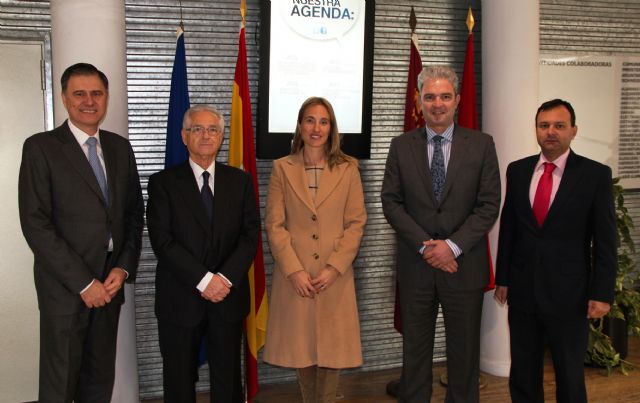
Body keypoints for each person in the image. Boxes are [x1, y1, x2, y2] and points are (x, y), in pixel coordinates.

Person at [18, 62, 144, 402]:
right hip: (65, 288)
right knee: (60, 384)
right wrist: (85, 284)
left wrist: (122, 267)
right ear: (63, 98)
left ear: (106, 98)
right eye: (79, 93)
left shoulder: (120, 147)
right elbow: (35, 222)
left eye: (97, 93)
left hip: (111, 283)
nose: (89, 101)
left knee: (98, 381)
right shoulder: (41, 147)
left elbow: (134, 215)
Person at [380, 65, 501, 402]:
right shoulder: (401, 145)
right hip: (417, 268)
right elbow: (391, 202)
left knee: (464, 358)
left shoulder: (481, 145)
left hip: (463, 267)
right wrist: (427, 248)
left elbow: (489, 205)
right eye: (430, 96)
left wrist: (452, 246)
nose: (437, 103)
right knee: (414, 355)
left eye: (445, 96)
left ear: (457, 100)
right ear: (419, 100)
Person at [495, 99, 617, 403]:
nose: (551, 132)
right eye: (544, 125)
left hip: (569, 295)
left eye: (559, 126)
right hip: (523, 291)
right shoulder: (518, 170)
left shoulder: (594, 175)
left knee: (569, 374)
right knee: (522, 372)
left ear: (573, 131)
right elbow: (509, 228)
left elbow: (605, 240)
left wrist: (602, 293)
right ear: (536, 130)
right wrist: (503, 278)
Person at [146, 105, 260, 403]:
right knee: (179, 381)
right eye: (197, 129)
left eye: (213, 129)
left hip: (228, 295)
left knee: (228, 381)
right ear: (184, 136)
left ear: (222, 136)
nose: (205, 135)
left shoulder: (241, 181)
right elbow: (163, 241)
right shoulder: (163, 183)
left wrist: (222, 278)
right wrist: (203, 280)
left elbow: (250, 236)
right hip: (180, 298)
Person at [263, 96, 367, 403]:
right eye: (310, 120)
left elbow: (356, 222)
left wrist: (334, 268)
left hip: (333, 276)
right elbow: (274, 224)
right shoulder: (282, 168)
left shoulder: (349, 169)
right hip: (296, 277)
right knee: (302, 350)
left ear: (332, 128)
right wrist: (293, 270)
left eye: (324, 121)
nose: (316, 128)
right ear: (299, 125)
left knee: (332, 352)